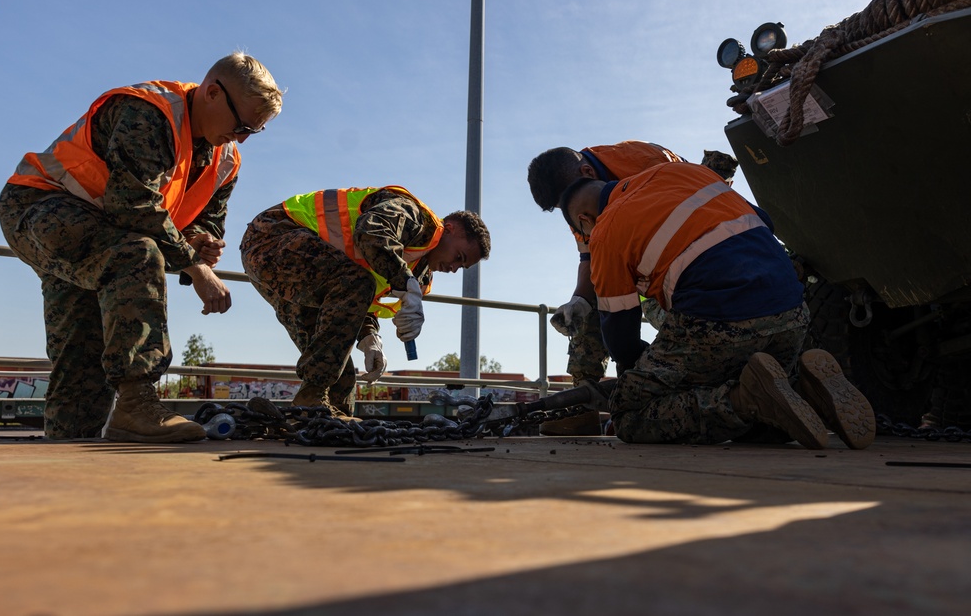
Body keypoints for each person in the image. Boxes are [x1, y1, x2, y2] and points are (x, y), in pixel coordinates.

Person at [0, 52, 284, 442]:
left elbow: (206, 219)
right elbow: (132, 205)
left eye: (255, 131)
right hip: (42, 206)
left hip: (103, 233)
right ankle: (137, 402)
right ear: (213, 94)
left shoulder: (226, 158)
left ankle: (69, 458)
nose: (243, 138)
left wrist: (199, 241)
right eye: (242, 125)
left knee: (83, 354)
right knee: (135, 254)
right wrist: (195, 267)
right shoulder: (150, 112)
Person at [558, 161, 876, 449]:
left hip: (720, 319)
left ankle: (746, 399)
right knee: (765, 431)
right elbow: (764, 220)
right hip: (791, 312)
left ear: (585, 220)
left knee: (630, 413)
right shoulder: (681, 172)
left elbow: (620, 334)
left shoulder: (604, 233)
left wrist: (639, 378)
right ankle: (807, 394)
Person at [240, 186, 491, 418]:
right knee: (354, 288)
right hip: (272, 236)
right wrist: (405, 284)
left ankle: (324, 419)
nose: (455, 269)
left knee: (339, 369)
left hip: (301, 269)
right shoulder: (414, 216)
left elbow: (355, 300)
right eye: (459, 257)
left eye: (462, 266)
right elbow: (370, 232)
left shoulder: (418, 274)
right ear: (449, 229)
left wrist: (370, 339)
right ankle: (310, 399)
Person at [527, 140, 698, 434]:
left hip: (684, 265)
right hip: (632, 265)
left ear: (587, 173)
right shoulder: (578, 196)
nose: (569, 213)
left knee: (689, 341)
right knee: (587, 308)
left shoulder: (649, 161)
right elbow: (590, 257)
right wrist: (578, 301)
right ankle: (584, 406)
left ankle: (653, 398)